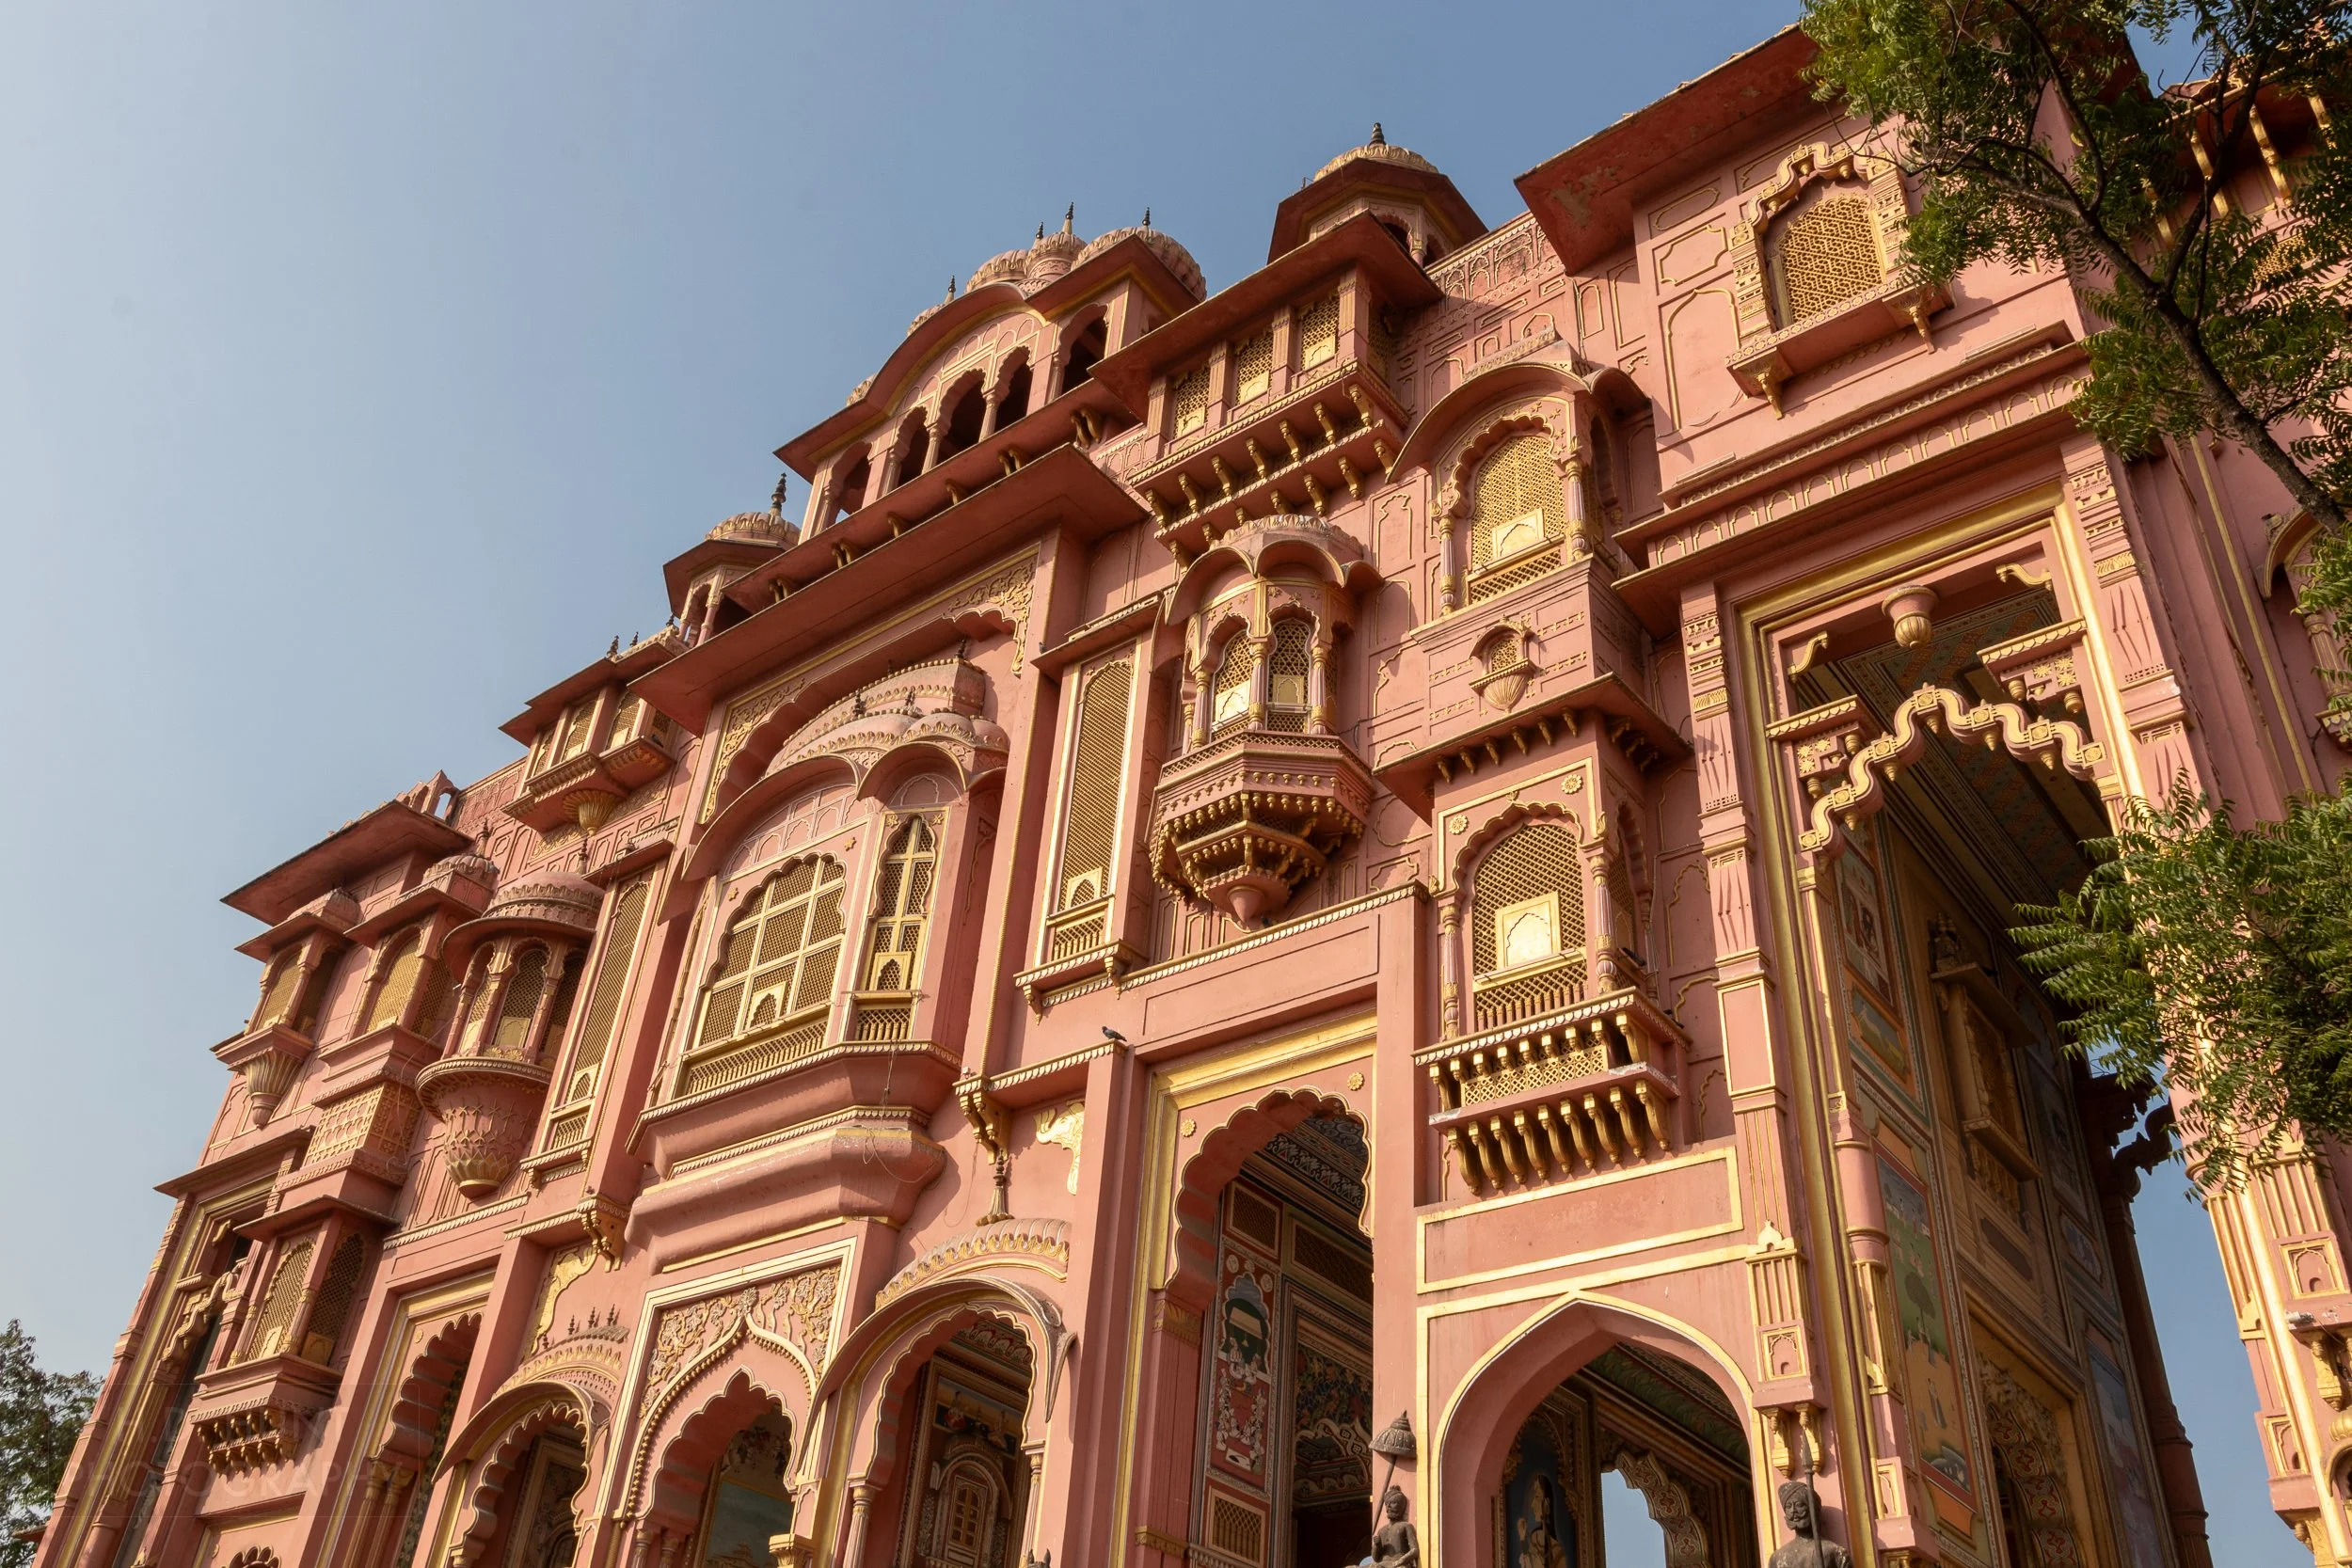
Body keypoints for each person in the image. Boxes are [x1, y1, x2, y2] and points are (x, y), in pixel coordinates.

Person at [1767, 1480, 1851, 1568]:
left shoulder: (1835, 1552)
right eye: (1788, 1506)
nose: (1793, 1511)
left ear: (1814, 1510)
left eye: (1799, 1505)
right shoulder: (1777, 1558)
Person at [1370, 1485, 1419, 1568]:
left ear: (1401, 1506)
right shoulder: (1382, 1531)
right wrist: (1376, 1545)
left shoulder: (1405, 1526)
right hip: (1382, 1564)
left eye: (1393, 1503)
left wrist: (1399, 1562)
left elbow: (1414, 1550)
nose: (1389, 1506)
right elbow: (1376, 1558)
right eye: (1387, 1503)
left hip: (1399, 1564)